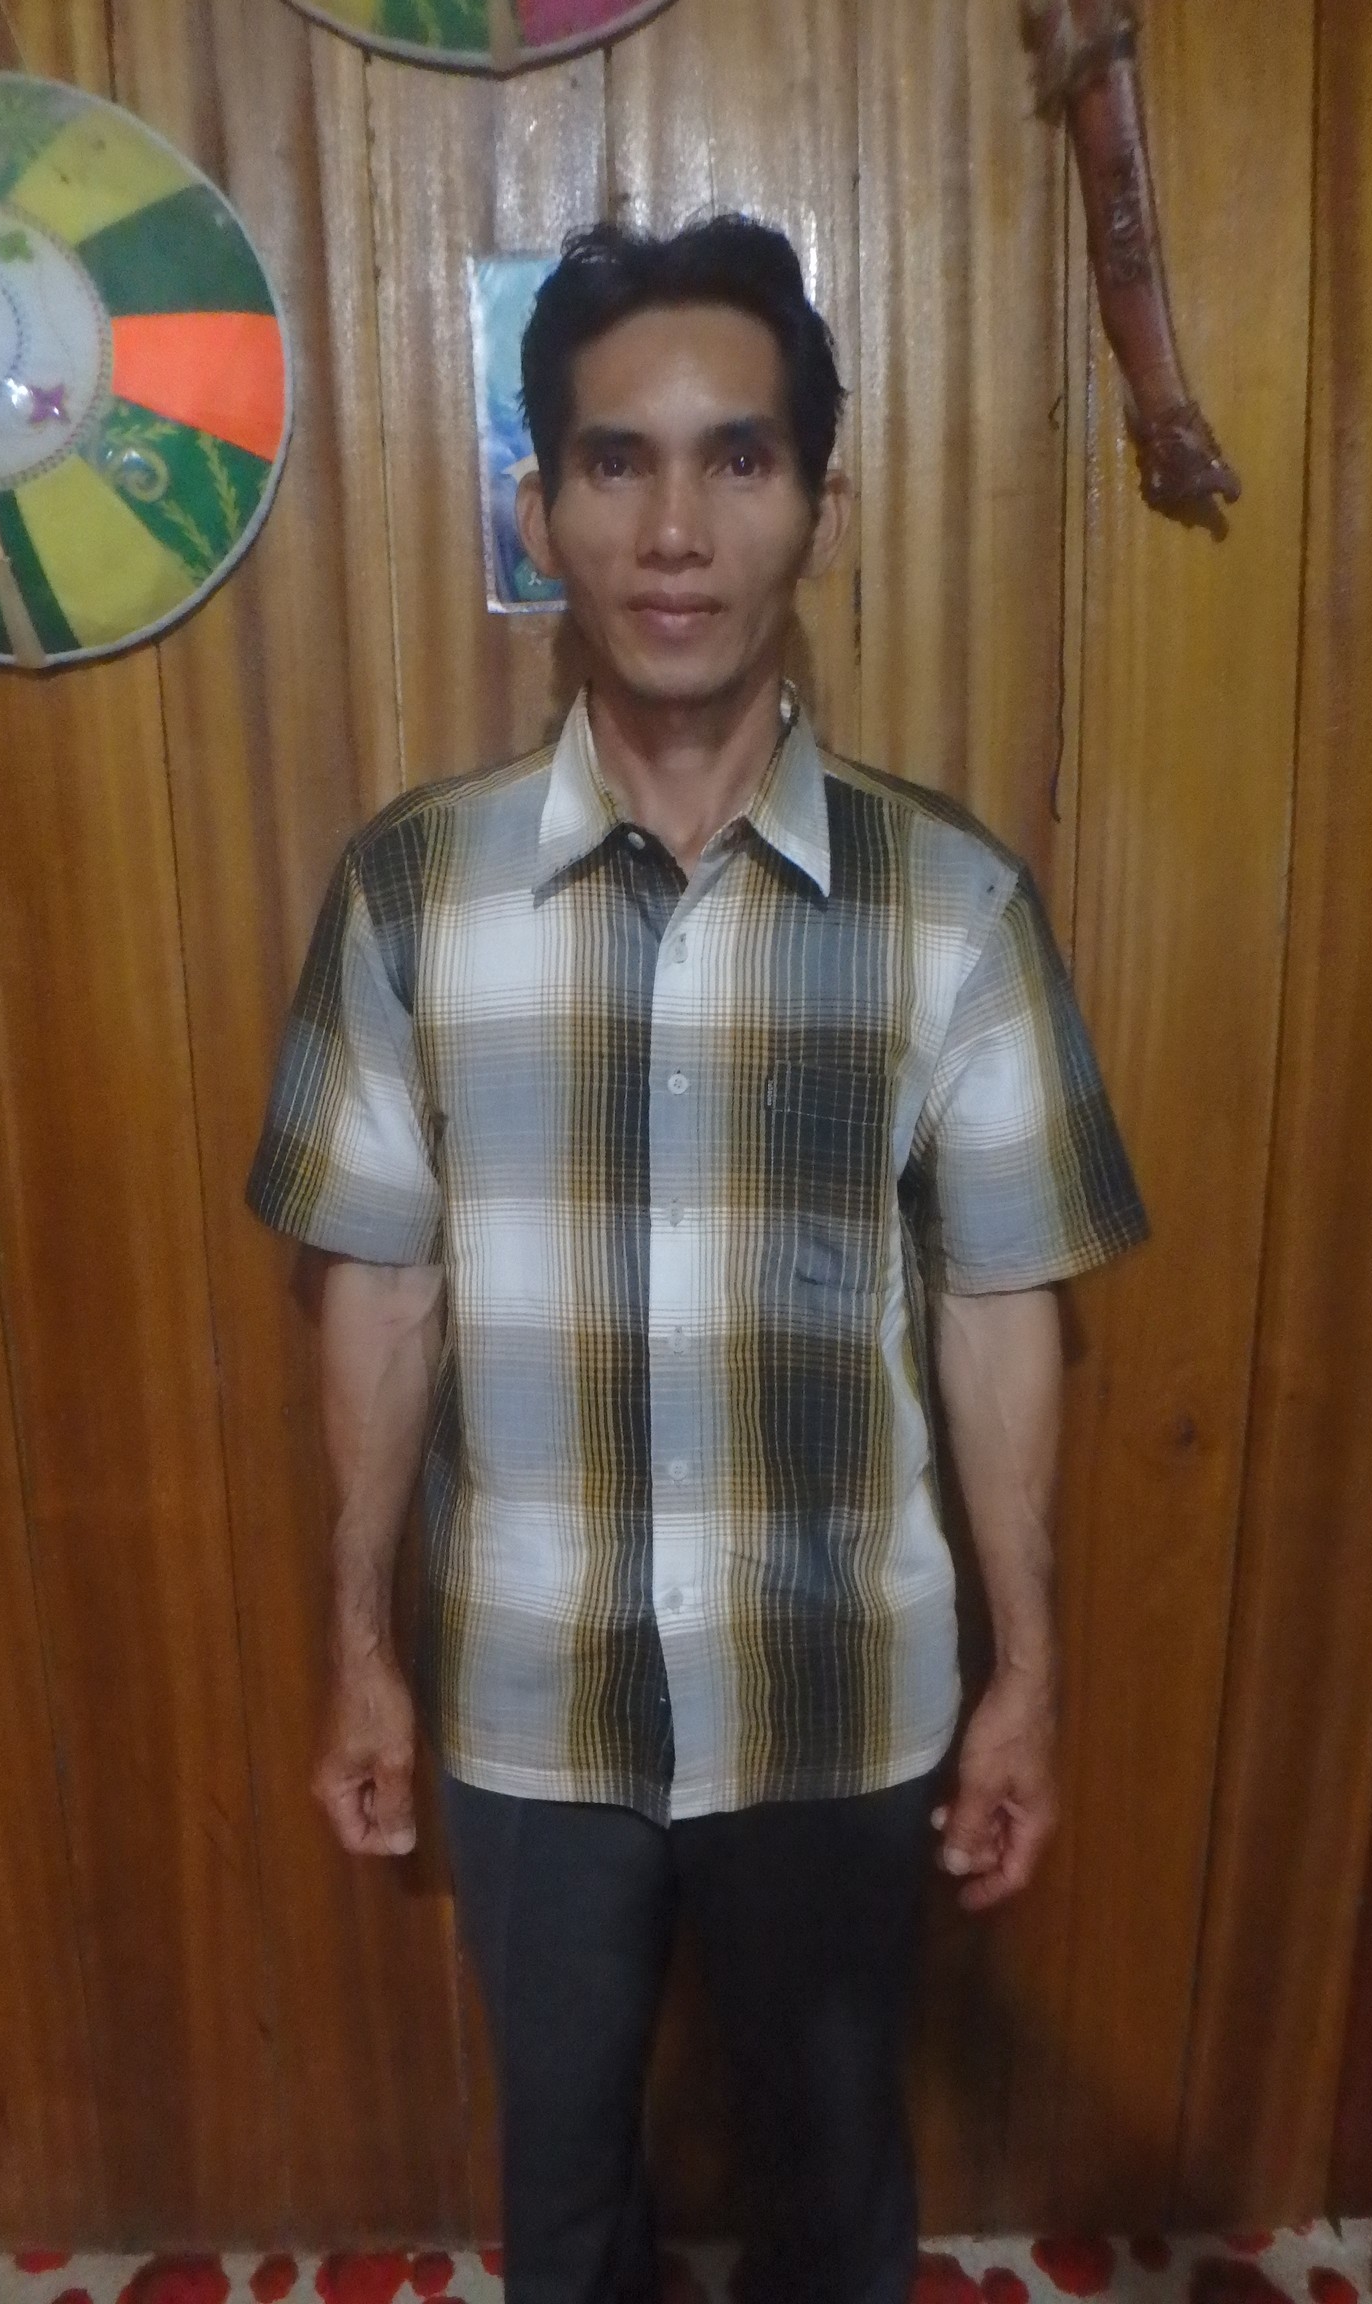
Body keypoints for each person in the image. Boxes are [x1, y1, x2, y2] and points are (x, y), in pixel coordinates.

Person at [247, 214, 1147, 2304]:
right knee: (563, 2207)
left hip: (838, 1696)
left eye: (739, 458)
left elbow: (1000, 1302)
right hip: (527, 1695)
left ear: (818, 503)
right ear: (541, 508)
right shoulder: (412, 891)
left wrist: (1026, 1677)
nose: (676, 528)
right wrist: (362, 1650)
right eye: (616, 460)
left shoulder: (951, 906)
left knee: (836, 2200)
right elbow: (377, 1288)